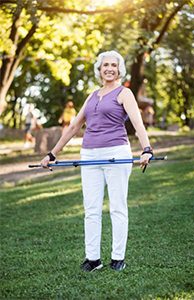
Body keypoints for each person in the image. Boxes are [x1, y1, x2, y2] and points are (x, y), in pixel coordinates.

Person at [41, 50, 153, 272]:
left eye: (113, 65)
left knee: (117, 208)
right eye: (105, 65)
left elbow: (138, 124)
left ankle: (117, 258)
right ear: (99, 70)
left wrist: (146, 149)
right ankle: (93, 259)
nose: (109, 68)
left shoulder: (125, 93)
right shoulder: (93, 95)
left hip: (116, 153)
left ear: (119, 69)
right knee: (91, 209)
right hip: (89, 155)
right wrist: (52, 154)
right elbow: (74, 126)